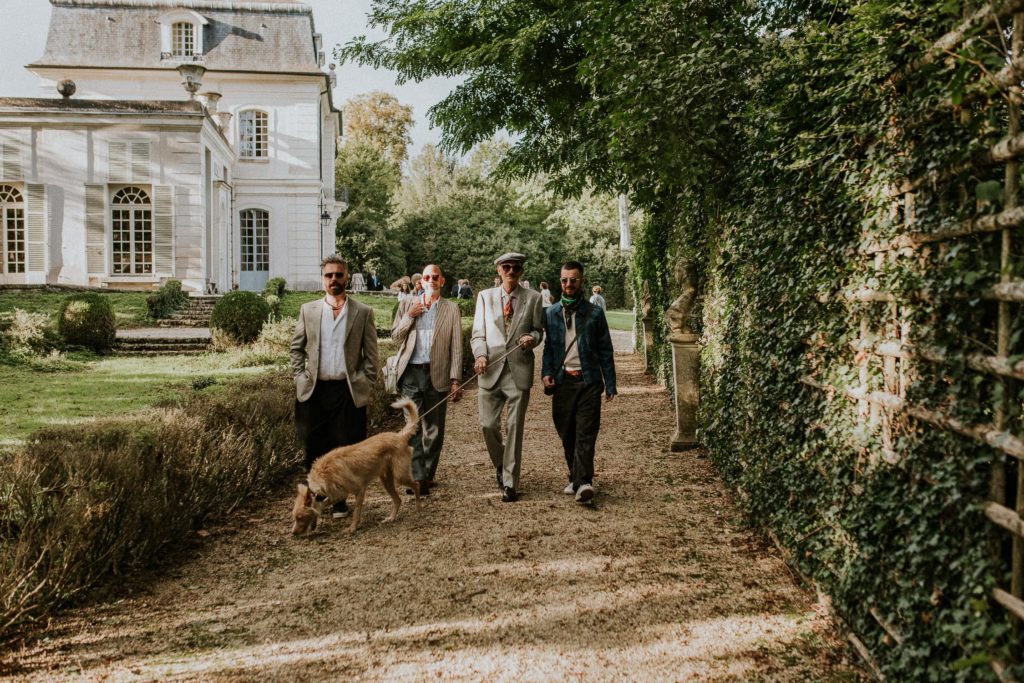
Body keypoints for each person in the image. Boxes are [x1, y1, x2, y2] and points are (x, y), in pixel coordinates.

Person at [290, 254, 380, 518]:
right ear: (323, 280)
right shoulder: (309, 310)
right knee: (313, 448)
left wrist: (366, 382)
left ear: (347, 277)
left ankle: (339, 501)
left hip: (347, 391)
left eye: (339, 275)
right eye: (329, 275)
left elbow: (371, 356)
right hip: (314, 391)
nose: (334, 280)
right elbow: (297, 348)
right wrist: (299, 377)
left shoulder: (362, 312)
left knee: (345, 449)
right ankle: (311, 503)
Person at [472, 252, 544, 502]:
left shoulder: (533, 298)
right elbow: (477, 334)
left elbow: (538, 330)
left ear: (521, 271)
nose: (511, 271)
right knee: (487, 425)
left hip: (518, 372)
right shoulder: (484, 297)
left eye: (516, 267)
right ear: (499, 270)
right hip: (490, 370)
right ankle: (502, 466)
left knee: (514, 427)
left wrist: (531, 339)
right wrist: (480, 356)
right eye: (506, 267)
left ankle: (510, 482)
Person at [542, 261, 616, 503]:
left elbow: (606, 349)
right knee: (567, 433)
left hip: (589, 382)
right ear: (560, 281)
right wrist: (546, 373)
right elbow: (549, 349)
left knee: (586, 432)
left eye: (573, 280)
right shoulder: (551, 312)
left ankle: (584, 482)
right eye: (564, 280)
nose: (568, 284)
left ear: (582, 281)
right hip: (563, 382)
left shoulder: (594, 313)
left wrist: (610, 383)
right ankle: (575, 476)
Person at [391, 264, 464, 495]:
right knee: (413, 428)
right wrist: (410, 316)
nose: (431, 280)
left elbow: (457, 347)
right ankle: (418, 478)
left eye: (435, 277)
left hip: (438, 373)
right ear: (420, 282)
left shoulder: (451, 309)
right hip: (411, 374)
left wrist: (455, 380)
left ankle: (427, 474)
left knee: (434, 429)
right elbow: (395, 337)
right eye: (426, 277)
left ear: (442, 281)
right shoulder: (406, 304)